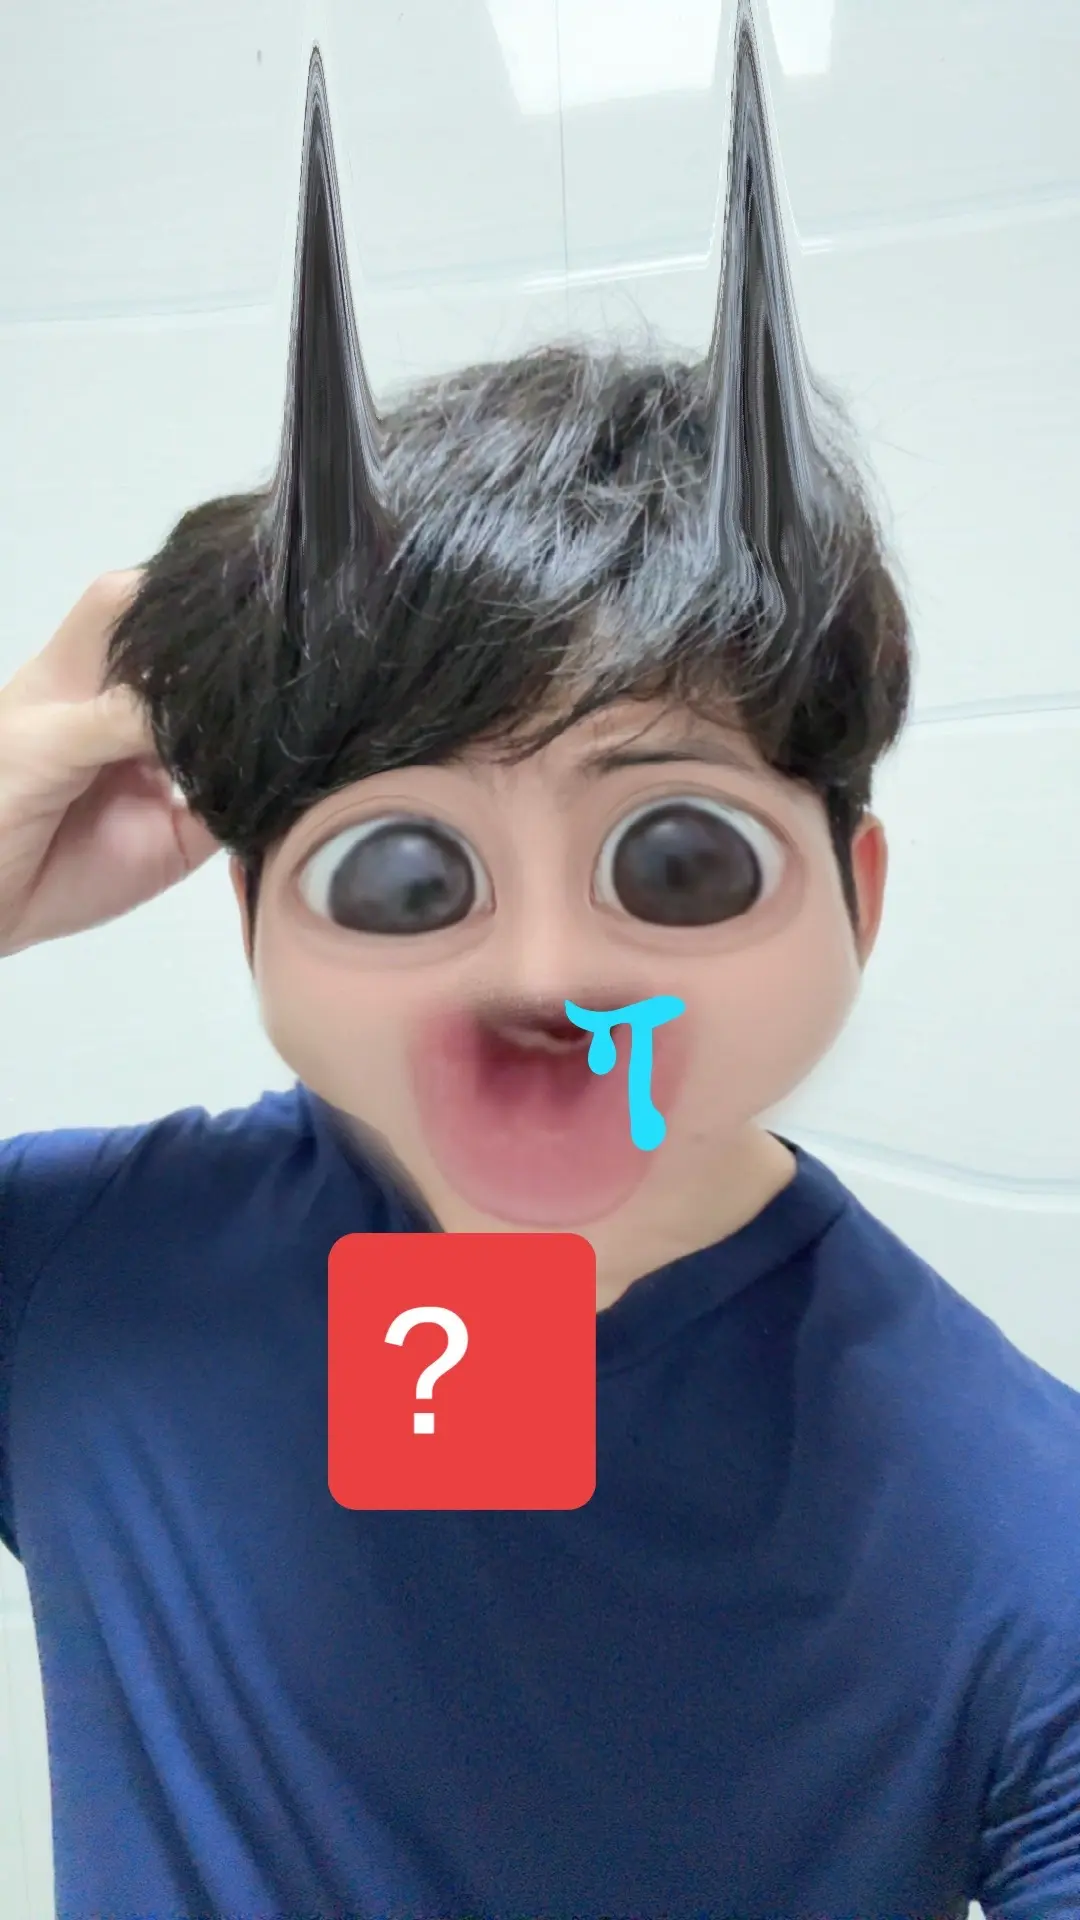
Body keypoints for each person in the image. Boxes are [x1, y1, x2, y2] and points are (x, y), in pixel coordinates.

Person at [3, 29, 1079, 1920]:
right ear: (250, 913)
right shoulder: (81, 1284)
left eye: (677, 859)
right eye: (406, 873)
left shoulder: (1023, 1538)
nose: (548, 971)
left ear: (857, 894)